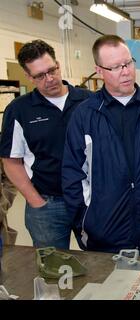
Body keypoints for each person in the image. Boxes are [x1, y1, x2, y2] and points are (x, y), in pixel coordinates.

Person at [62, 35, 140, 258]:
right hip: (106, 236)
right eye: (116, 67)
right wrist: (86, 220)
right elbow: (73, 175)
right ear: (99, 71)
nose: (126, 71)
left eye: (128, 63)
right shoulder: (84, 115)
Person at [0, 40, 90, 249]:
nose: (50, 79)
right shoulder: (19, 110)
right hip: (47, 205)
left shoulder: (87, 101)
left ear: (58, 65)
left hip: (88, 200)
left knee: (100, 261)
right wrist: (36, 202)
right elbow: (11, 161)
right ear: (28, 77)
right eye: (40, 76)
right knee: (54, 270)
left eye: (52, 70)